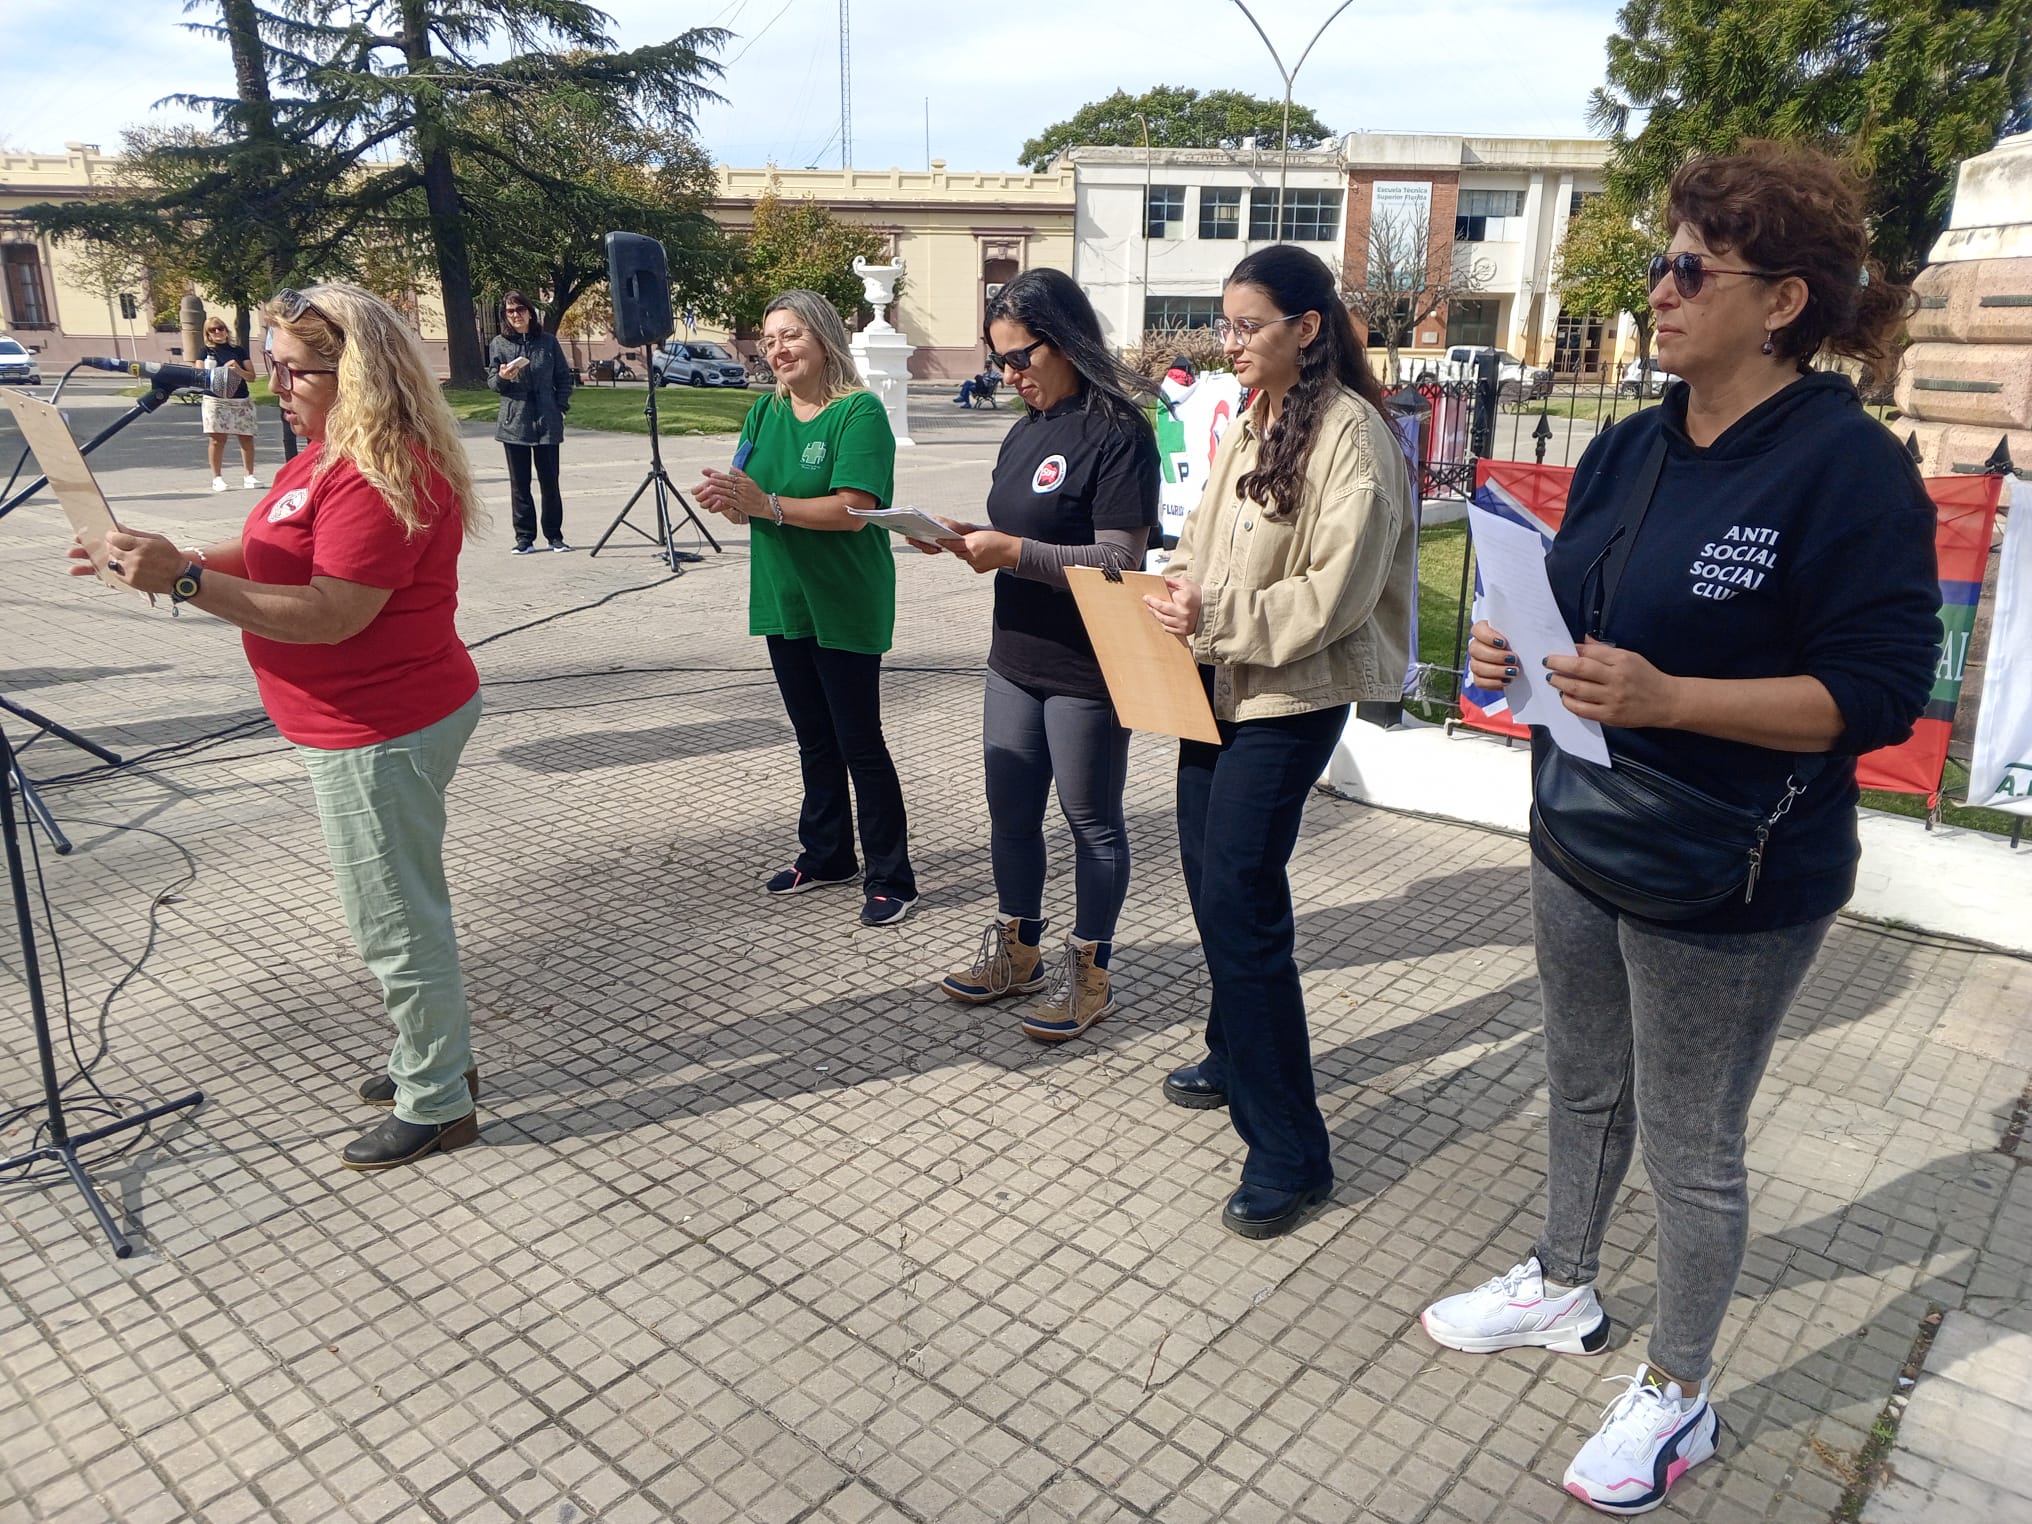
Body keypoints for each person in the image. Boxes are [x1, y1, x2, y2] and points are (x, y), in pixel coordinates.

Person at [1417, 144, 1939, 1514]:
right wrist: (1514, 652)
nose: (1657, 287)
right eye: (1664, 258)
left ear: (1781, 301)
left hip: (1733, 866)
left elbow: (1880, 696)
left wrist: (1674, 694)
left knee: (1690, 1140)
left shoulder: (1850, 467)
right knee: (1582, 1081)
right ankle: (1562, 1281)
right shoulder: (1632, 442)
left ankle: (1679, 1390)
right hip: (1586, 821)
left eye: (1689, 266)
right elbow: (1588, 611)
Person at [75, 281, 486, 1172]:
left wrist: (182, 584)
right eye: (270, 364)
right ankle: (431, 1052)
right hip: (363, 716)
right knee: (397, 906)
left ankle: (439, 1097)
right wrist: (169, 556)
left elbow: (334, 612)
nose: (274, 385)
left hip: (380, 722)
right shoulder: (328, 452)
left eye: (294, 370)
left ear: (359, 374)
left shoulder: (382, 471)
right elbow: (273, 551)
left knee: (395, 922)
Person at [1143, 245, 1416, 1239]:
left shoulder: (1353, 439)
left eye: (1248, 324)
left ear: (1306, 326)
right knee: (1202, 870)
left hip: (1293, 691)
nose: (1231, 343)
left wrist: (1208, 616)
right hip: (1214, 678)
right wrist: (1171, 586)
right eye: (1224, 324)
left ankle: (1291, 1152)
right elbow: (1203, 541)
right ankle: (1232, 1044)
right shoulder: (1255, 418)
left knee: (1238, 900)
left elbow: (1335, 599)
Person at [919, 268, 1160, 1041]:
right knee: (1011, 815)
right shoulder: (1025, 429)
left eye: (1021, 357)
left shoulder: (1119, 432)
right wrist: (965, 537)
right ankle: (1018, 954)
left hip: (1088, 665)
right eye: (998, 362)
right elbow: (1020, 528)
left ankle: (1090, 973)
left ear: (1065, 342)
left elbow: (1121, 560)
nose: (1010, 375)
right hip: (1014, 656)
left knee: (1090, 821)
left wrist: (1015, 552)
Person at [692, 290, 919, 927]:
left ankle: (891, 876)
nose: (778, 350)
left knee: (858, 741)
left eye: (790, 335)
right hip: (782, 596)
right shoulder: (764, 413)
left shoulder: (859, 413)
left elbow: (853, 511)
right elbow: (751, 495)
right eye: (768, 340)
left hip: (844, 599)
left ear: (822, 339)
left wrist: (767, 506)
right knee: (813, 738)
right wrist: (731, 498)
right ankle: (826, 856)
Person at [486, 291, 575, 553]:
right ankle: (524, 538)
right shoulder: (499, 344)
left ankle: (554, 536)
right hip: (515, 422)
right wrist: (504, 377)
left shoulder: (547, 342)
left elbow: (563, 377)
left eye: (520, 310)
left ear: (530, 312)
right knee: (519, 483)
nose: (516, 315)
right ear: (505, 316)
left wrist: (560, 407)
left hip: (547, 420)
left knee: (550, 481)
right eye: (510, 311)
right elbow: (493, 383)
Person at [200, 316, 260, 493]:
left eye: (220, 328)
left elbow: (252, 377)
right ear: (208, 334)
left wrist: (238, 370)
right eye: (213, 330)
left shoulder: (238, 351)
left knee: (246, 437)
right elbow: (198, 377)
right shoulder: (205, 352)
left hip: (240, 398)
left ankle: (249, 475)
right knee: (217, 439)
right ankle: (217, 478)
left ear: (226, 330)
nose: (218, 332)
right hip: (216, 399)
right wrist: (218, 371)